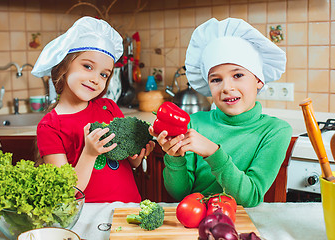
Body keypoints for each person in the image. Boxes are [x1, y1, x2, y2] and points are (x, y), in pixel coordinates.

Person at [149, 18, 292, 208]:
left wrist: (213, 152)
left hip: (240, 226)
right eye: (216, 80)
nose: (227, 88)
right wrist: (174, 158)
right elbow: (179, 194)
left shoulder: (275, 131)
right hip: (194, 222)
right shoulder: (194, 123)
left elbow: (250, 198)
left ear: (259, 79)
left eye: (238, 75)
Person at [31, 16, 155, 203]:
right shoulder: (50, 126)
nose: (96, 79)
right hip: (87, 217)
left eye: (104, 74)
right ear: (64, 65)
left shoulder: (109, 108)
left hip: (129, 209)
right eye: (88, 66)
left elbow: (132, 162)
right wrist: (89, 153)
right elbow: (67, 191)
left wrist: (138, 154)